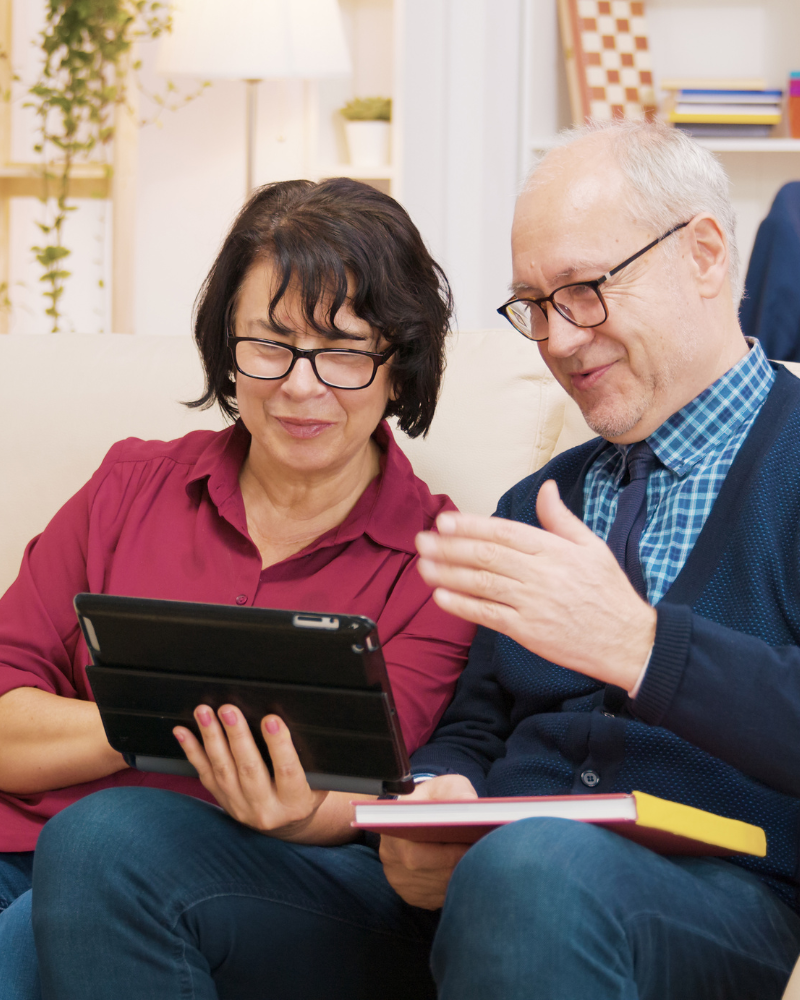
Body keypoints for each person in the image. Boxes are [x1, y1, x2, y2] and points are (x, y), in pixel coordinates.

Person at [0, 178, 475, 1000]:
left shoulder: (438, 562)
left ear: (401, 365)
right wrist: (162, 714)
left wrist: (279, 795)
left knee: (66, 891)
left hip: (272, 880)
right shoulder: (128, 486)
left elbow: (358, 780)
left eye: (345, 350)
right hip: (21, 854)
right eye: (270, 343)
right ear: (228, 348)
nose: (300, 385)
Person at [375, 119, 800, 998]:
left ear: (706, 254)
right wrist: (436, 792)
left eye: (585, 289)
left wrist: (642, 648)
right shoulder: (539, 499)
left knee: (530, 868)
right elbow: (474, 727)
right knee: (114, 848)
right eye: (534, 304)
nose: (559, 340)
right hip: (496, 887)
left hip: (726, 901)